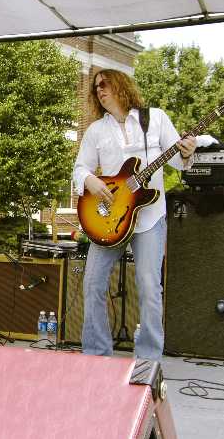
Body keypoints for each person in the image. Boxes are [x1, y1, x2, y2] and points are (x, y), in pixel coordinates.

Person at [72, 69, 196, 361]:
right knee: (92, 283)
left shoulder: (155, 119)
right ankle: (97, 355)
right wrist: (90, 180)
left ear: (121, 85)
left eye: (105, 84)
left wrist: (187, 152)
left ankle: (148, 359)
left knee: (150, 286)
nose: (100, 90)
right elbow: (80, 169)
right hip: (109, 219)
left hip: (150, 218)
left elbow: (179, 162)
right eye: (96, 87)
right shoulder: (96, 130)